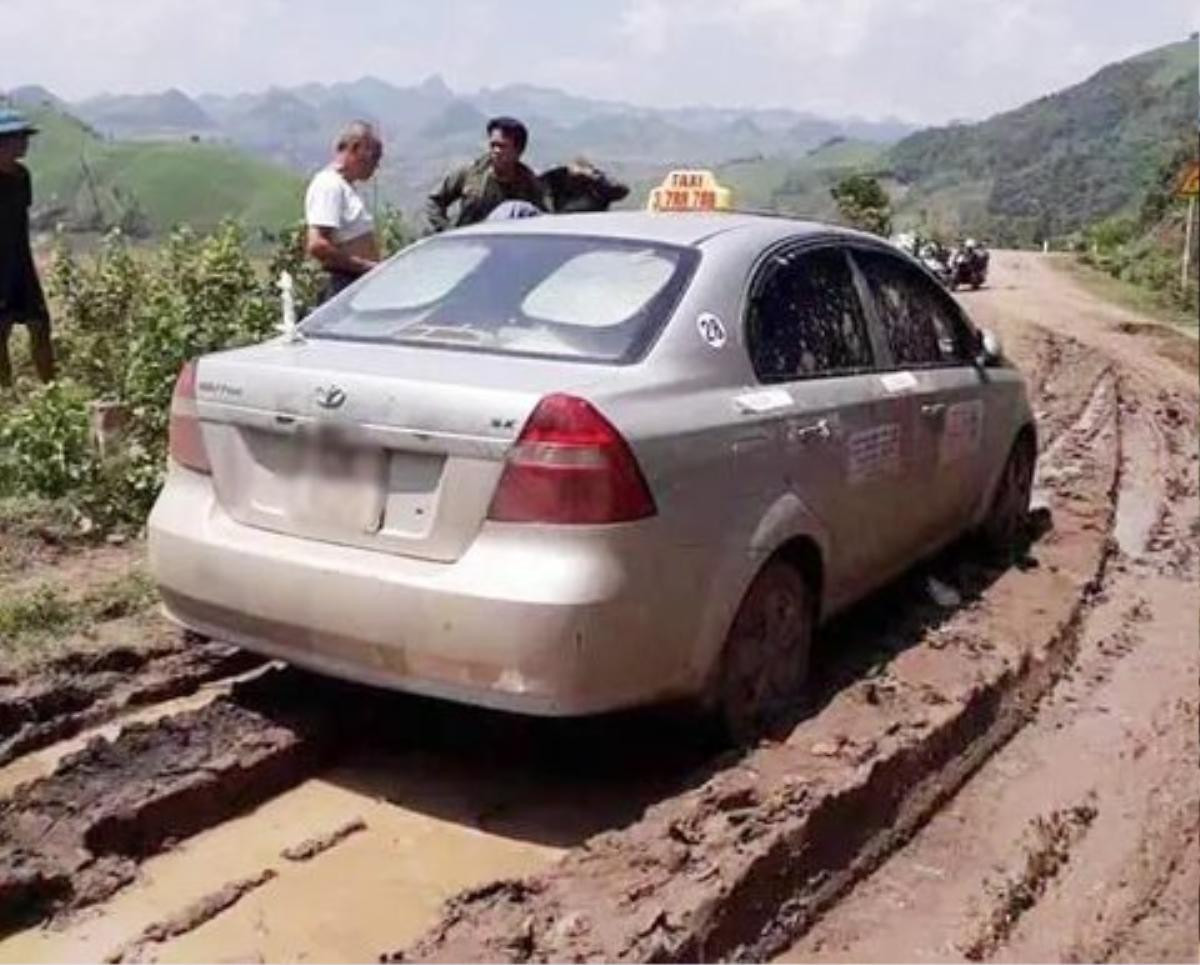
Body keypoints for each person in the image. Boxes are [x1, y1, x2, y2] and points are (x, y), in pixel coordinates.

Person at [0, 108, 55, 388]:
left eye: (24, 137)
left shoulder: (22, 176)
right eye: (17, 138)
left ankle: (51, 390)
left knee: (40, 325)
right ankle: (5, 395)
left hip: (20, 261)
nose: (24, 144)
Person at [304, 120, 383, 301]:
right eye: (374, 156)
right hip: (342, 286)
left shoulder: (345, 187)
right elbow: (317, 245)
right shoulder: (329, 185)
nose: (376, 165)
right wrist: (365, 267)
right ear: (355, 148)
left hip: (354, 284)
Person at [425, 117, 545, 232]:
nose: (496, 151)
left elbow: (541, 219)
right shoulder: (471, 173)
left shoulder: (530, 184)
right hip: (469, 244)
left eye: (502, 146)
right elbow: (434, 201)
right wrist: (446, 231)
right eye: (493, 145)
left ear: (518, 150)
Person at [540, 159, 629, 213]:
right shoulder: (556, 179)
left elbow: (623, 190)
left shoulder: (597, 190)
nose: (577, 181)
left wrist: (594, 180)